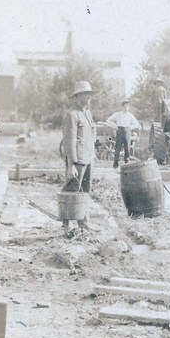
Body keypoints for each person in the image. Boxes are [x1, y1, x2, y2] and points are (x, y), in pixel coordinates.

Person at [61, 80, 97, 234]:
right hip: (78, 159)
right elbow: (69, 141)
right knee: (71, 190)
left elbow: (93, 133)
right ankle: (67, 224)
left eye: (89, 94)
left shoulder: (87, 113)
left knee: (85, 190)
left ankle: (84, 222)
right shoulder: (72, 115)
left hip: (88, 158)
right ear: (77, 97)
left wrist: (92, 151)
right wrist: (71, 164)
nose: (89, 97)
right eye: (85, 94)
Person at [105, 99, 141, 168]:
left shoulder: (130, 115)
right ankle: (115, 164)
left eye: (127, 106)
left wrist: (130, 127)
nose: (126, 108)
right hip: (120, 130)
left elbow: (137, 124)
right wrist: (115, 126)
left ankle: (126, 164)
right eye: (125, 106)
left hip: (127, 131)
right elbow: (108, 120)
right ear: (122, 107)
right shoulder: (118, 114)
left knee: (127, 148)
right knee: (118, 147)